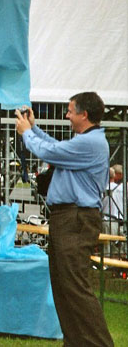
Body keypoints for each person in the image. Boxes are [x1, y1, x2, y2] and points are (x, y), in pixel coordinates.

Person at [15, 92, 113, 346]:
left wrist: (27, 133)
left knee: (75, 286)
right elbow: (56, 148)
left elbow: (50, 153)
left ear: (84, 115)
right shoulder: (85, 141)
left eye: (70, 111)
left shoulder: (90, 143)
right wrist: (34, 129)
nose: (67, 115)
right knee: (63, 285)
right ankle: (76, 341)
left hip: (76, 219)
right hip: (69, 218)